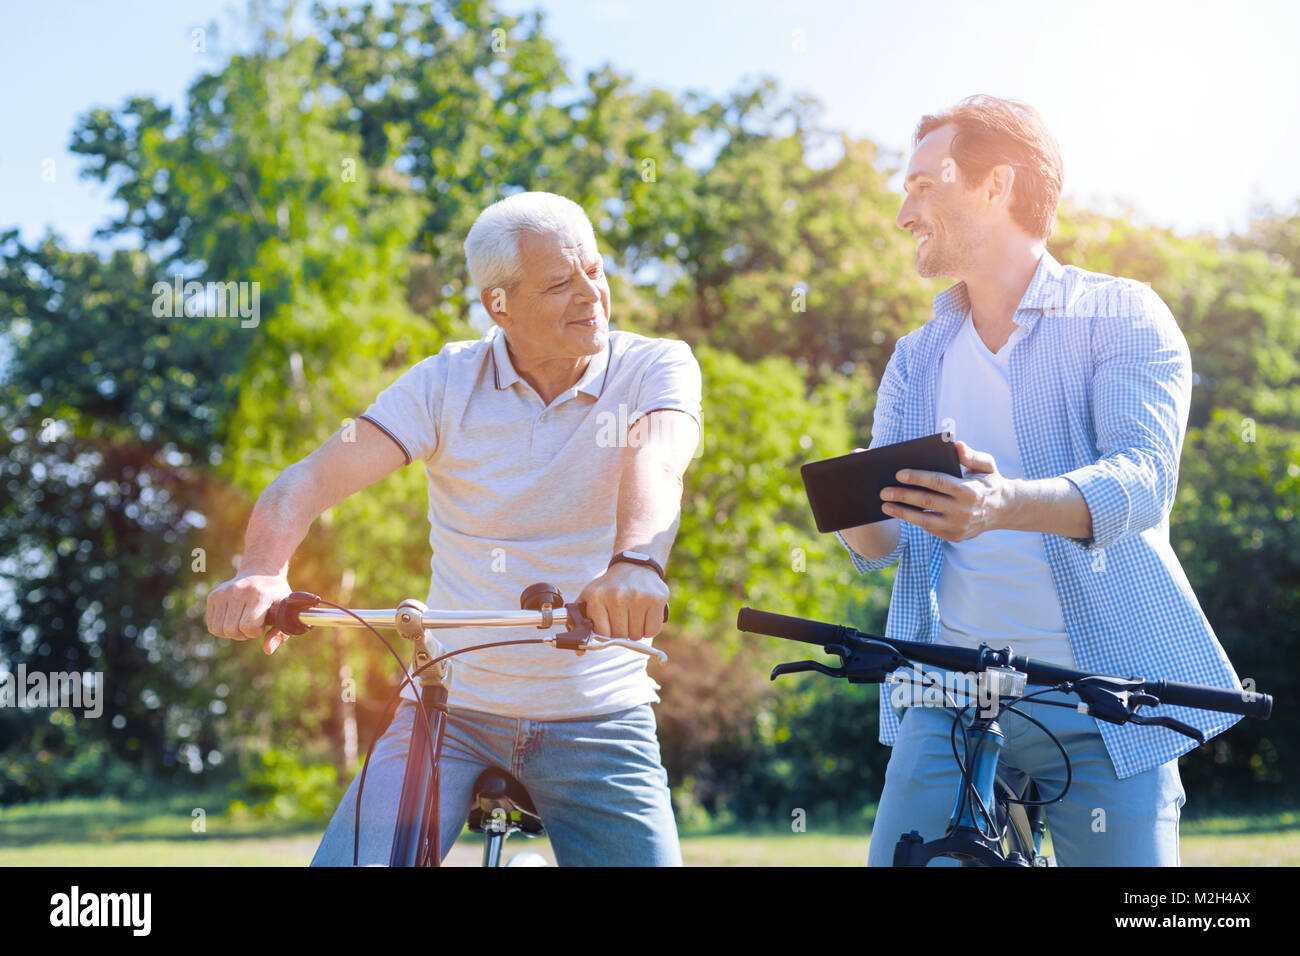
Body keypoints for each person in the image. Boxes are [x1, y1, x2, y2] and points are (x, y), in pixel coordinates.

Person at [205, 191, 702, 866]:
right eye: (559, 282)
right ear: (498, 305)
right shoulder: (443, 384)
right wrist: (262, 568)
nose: (592, 295)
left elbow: (660, 457)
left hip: (598, 712)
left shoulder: (655, 365)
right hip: (447, 706)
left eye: (594, 269)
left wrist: (638, 561)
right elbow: (309, 480)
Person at [836, 95, 1245, 866]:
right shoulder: (917, 357)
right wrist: (853, 504)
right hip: (949, 691)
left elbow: (1141, 482)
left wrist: (1002, 505)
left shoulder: (1122, 317)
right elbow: (881, 544)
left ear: (996, 185)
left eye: (924, 185)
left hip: (1106, 695)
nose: (902, 212)